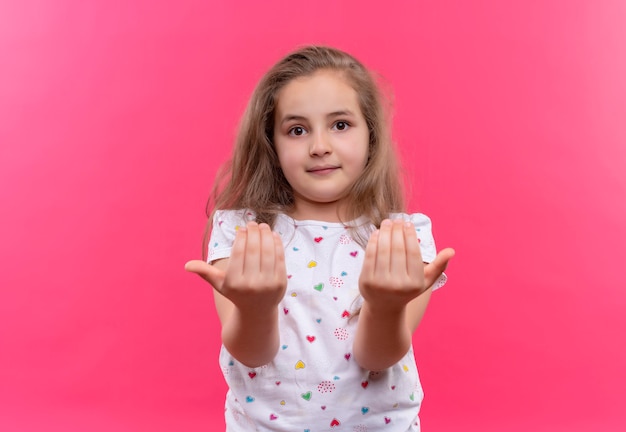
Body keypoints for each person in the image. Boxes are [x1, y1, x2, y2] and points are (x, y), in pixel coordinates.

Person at [185, 45, 455, 431]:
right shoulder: (244, 233)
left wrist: (386, 306)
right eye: (297, 130)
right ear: (272, 146)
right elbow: (252, 354)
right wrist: (256, 307)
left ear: (371, 135)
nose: (319, 146)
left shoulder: (399, 238)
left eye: (340, 125)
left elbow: (376, 358)